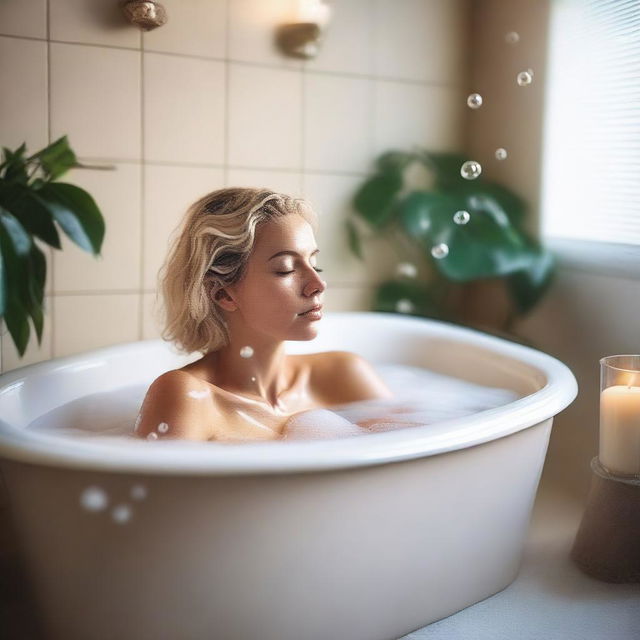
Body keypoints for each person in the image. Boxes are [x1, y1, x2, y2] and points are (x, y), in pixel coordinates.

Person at [134, 187, 393, 442]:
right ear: (223, 294)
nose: (318, 284)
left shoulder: (343, 375)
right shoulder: (188, 398)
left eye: (315, 264)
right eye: (286, 269)